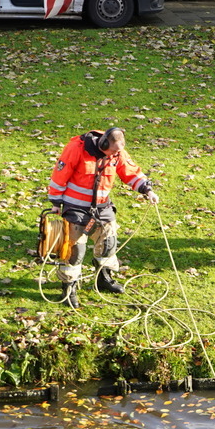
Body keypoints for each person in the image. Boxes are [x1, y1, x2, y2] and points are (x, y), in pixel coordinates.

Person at [47, 128, 158, 309]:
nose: (115, 155)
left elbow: (130, 171)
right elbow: (60, 174)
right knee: (74, 251)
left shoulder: (117, 152)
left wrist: (147, 190)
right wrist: (55, 201)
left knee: (108, 243)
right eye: (113, 152)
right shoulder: (77, 147)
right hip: (75, 207)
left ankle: (103, 279)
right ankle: (69, 288)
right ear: (104, 144)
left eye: (118, 152)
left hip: (101, 207)